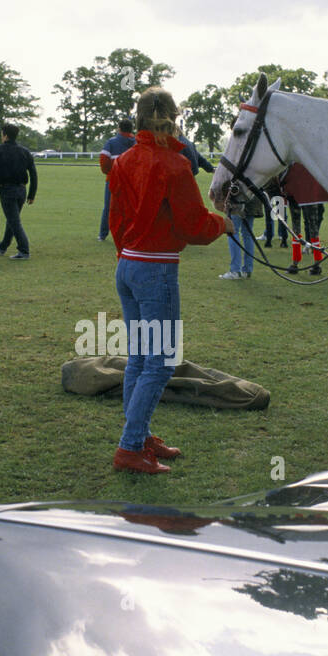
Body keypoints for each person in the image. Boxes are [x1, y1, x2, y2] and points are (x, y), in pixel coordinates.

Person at [107, 87, 230, 474]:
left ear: (139, 116)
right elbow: (193, 224)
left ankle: (139, 436)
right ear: (174, 118)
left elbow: (116, 218)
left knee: (140, 359)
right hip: (156, 268)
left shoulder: (124, 160)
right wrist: (222, 223)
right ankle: (130, 446)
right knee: (159, 363)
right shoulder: (175, 165)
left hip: (127, 264)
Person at [0, 123, 37, 260]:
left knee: (14, 221)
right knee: (12, 219)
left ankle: (24, 250)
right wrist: (32, 194)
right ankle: (3, 246)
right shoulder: (25, 151)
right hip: (22, 190)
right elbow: (33, 174)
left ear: (5, 135)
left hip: (7, 190)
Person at [98, 119, 135, 241]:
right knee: (131, 207)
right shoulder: (137, 143)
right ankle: (130, 234)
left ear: (119, 128)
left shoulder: (111, 142)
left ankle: (103, 235)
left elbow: (104, 162)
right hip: (132, 181)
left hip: (113, 179)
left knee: (108, 207)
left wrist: (109, 172)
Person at [220, 193, 261, 280]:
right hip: (253, 199)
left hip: (238, 199)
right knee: (247, 234)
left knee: (233, 232)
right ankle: (247, 270)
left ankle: (235, 270)